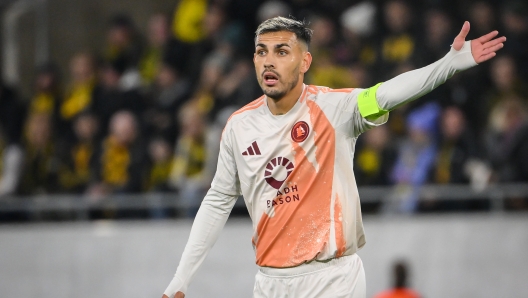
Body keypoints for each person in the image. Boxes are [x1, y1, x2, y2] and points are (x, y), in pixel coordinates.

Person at [162, 16, 505, 298]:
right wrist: (181, 278)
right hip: (269, 282)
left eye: (282, 51)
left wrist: (447, 65)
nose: (269, 60)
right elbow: (218, 200)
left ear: (305, 61)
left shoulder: (335, 108)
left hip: (332, 278)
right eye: (261, 52)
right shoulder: (238, 127)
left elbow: (387, 93)